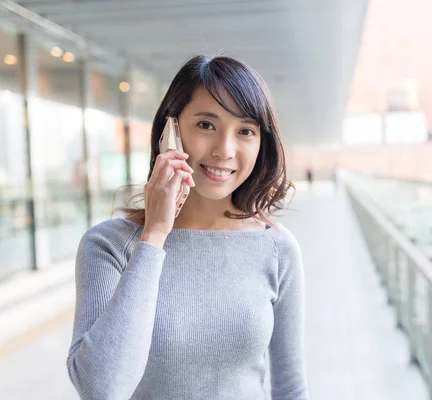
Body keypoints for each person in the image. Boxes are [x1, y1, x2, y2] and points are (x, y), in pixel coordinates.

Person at [66, 55, 309, 400]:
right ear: (171, 130)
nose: (225, 150)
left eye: (245, 131)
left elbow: (291, 389)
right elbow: (102, 389)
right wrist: (154, 237)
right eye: (206, 125)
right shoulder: (108, 245)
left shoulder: (277, 249)